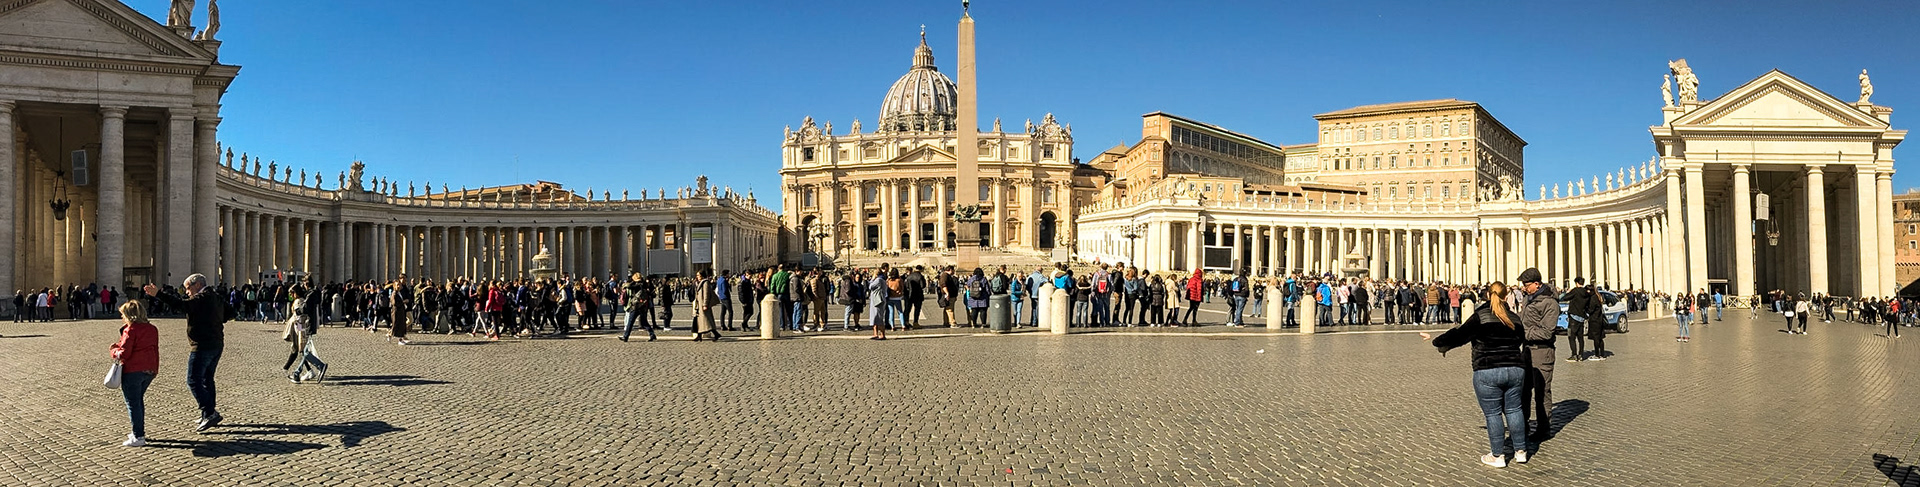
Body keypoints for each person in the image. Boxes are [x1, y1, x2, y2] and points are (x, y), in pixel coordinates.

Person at [1422, 281, 1531, 468]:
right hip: (1515, 368)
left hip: (1487, 369)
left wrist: (1439, 343)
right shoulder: (1514, 318)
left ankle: (1498, 455)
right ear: (1506, 296)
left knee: (1493, 413)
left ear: (1487, 295)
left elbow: (1460, 335)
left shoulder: (1481, 317)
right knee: (1514, 410)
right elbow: (1521, 339)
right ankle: (1521, 451)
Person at [142, 273, 235, 433]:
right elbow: (231, 312)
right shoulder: (215, 296)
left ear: (197, 285)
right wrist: (215, 319)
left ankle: (209, 412)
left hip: (202, 345)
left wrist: (158, 294)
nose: (187, 292)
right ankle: (208, 412)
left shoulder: (201, 298)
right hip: (217, 343)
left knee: (193, 380)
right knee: (207, 379)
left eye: (188, 288)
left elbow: (181, 305)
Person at [1514, 268, 1560, 440]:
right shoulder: (1528, 298)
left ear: (1537, 284)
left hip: (1542, 352)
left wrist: (1523, 332)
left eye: (1527, 285)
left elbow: (1547, 332)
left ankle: (1544, 429)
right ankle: (1522, 425)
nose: (1524, 288)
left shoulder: (1550, 303)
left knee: (1542, 392)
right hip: (1526, 350)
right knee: (1523, 390)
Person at [109, 300, 159, 447]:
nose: (122, 318)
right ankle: (138, 431)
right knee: (138, 401)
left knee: (133, 403)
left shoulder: (130, 330)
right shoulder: (152, 328)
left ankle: (138, 435)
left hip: (133, 370)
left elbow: (124, 353)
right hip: (149, 369)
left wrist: (113, 350)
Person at [1562, 278, 1592, 362]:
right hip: (1581, 317)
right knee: (1580, 337)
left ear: (1576, 283)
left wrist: (1568, 292)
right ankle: (1581, 355)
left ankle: (1574, 355)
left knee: (1571, 337)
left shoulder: (1575, 291)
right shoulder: (1586, 293)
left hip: (1573, 316)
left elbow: (1565, 298)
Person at [619, 273, 655, 342]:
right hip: (643, 306)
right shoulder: (644, 284)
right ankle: (652, 334)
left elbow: (628, 286)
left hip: (635, 306)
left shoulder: (636, 285)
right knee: (644, 322)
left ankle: (626, 336)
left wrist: (631, 281)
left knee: (630, 322)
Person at [868, 265, 892, 340]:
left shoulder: (878, 280)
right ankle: (875, 333)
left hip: (878, 301)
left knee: (878, 318)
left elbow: (870, 286)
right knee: (875, 318)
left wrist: (872, 278)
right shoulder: (881, 279)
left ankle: (882, 334)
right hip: (876, 300)